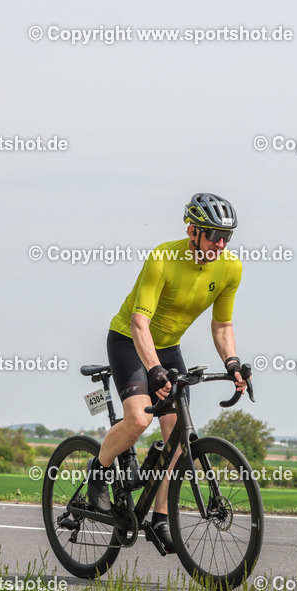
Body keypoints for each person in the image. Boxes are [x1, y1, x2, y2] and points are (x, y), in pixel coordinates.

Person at [87, 192, 247, 551]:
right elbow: (139, 323)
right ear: (192, 231)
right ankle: (98, 470)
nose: (221, 244)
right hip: (130, 340)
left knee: (178, 433)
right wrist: (154, 369)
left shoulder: (230, 268)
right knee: (139, 420)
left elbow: (222, 326)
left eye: (227, 237)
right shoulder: (162, 257)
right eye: (213, 236)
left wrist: (232, 363)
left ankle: (160, 518)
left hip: (169, 346)